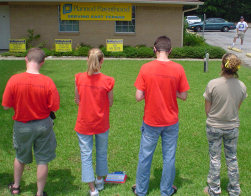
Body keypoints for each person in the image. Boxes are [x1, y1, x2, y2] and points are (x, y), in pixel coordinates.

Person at [132, 36, 190, 196]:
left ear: (154, 49)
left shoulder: (145, 68)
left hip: (151, 121)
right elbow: (184, 95)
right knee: (169, 157)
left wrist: (150, 91)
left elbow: (138, 96)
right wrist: (172, 91)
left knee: (145, 156)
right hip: (171, 121)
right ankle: (166, 190)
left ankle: (141, 190)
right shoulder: (178, 69)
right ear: (170, 50)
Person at [2, 48, 60, 196]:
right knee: (42, 159)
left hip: (22, 126)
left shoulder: (14, 80)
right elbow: (54, 107)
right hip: (43, 125)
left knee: (20, 156)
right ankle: (39, 193)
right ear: (43, 62)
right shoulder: (48, 82)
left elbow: (6, 106)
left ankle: (16, 187)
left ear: (26, 59)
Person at [203, 53, 247, 196]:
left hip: (214, 126)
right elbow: (237, 107)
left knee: (215, 158)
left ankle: (214, 190)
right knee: (232, 157)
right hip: (232, 127)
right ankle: (235, 189)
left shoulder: (213, 84)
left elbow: (207, 109)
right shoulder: (241, 86)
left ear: (222, 65)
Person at [74, 48, 114, 196]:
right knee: (101, 152)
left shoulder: (78, 78)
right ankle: (99, 180)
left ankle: (93, 189)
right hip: (101, 123)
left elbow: (78, 100)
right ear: (102, 61)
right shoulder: (108, 80)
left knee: (86, 155)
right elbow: (110, 102)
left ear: (87, 60)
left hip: (84, 123)